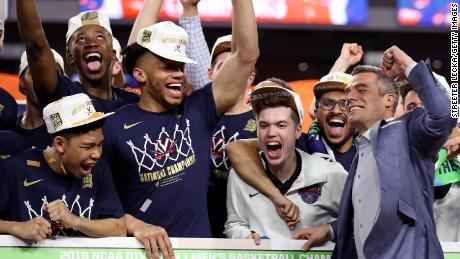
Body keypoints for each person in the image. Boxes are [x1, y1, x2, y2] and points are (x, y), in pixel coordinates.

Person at [103, 0, 258, 257]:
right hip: (138, 253)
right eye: (167, 67)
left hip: (197, 254)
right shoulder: (113, 126)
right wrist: (132, 224)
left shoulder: (198, 109)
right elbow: (95, 199)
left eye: (180, 66)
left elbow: (247, 55)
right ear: (140, 75)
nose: (178, 74)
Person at [297, 46, 456, 258]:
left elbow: (444, 116)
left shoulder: (409, 131)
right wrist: (329, 230)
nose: (349, 98)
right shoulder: (360, 151)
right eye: (349, 92)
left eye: (361, 90)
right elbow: (367, 213)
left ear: (389, 99)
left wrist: (407, 64)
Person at [224, 84, 347, 243]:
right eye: (264, 125)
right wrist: (245, 236)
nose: (271, 133)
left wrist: (329, 231)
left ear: (297, 131)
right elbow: (234, 224)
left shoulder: (330, 173)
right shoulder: (240, 175)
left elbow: (358, 220)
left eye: (281, 125)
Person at [0, 93, 126, 241]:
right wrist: (16, 228)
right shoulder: (14, 169)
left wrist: (75, 221)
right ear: (59, 144)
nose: (97, 154)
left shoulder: (99, 169)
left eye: (100, 145)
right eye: (87, 146)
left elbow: (119, 227)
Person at [16, 1, 139, 112]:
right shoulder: (62, 93)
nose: (92, 43)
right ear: (70, 57)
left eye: (100, 36)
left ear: (113, 54)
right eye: (81, 39)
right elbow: (36, 46)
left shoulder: (133, 102)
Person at [15, 49, 66, 149]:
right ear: (21, 81)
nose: (44, 81)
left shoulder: (70, 135)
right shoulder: (8, 128)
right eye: (35, 72)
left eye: (53, 74)